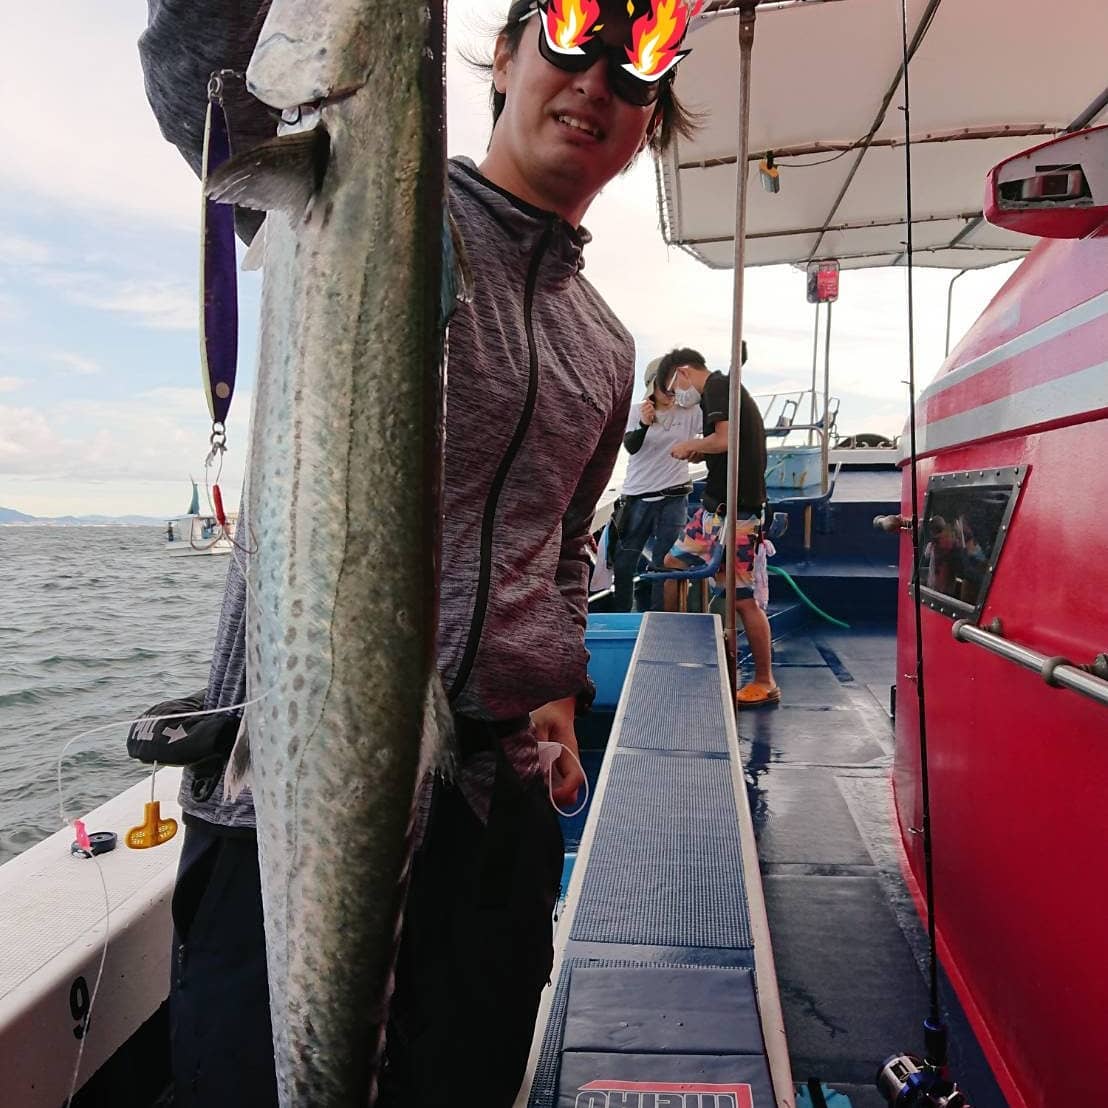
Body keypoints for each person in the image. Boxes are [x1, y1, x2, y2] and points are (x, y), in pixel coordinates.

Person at [137, 2, 700, 1105]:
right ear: (500, 54)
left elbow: (567, 548)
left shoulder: (605, 342)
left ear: (648, 126)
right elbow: (202, 79)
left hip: (497, 821)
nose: (598, 81)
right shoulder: (358, 192)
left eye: (640, 66)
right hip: (299, 805)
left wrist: (553, 681)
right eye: (573, 30)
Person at [661, 345, 780, 708]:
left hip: (737, 516)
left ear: (682, 372)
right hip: (712, 512)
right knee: (673, 565)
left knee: (743, 601)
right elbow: (729, 445)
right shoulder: (724, 390)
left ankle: (765, 680)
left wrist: (689, 445)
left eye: (672, 389)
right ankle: (674, 645)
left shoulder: (717, 386)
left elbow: (725, 439)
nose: (677, 398)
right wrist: (703, 450)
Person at [612, 356, 701, 611]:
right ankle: (622, 617)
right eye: (665, 386)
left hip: (674, 497)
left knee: (665, 563)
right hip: (637, 498)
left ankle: (659, 618)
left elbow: (716, 428)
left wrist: (698, 450)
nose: (671, 392)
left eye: (675, 385)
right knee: (625, 562)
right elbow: (631, 446)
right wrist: (643, 424)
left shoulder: (691, 412)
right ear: (653, 386)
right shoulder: (635, 411)